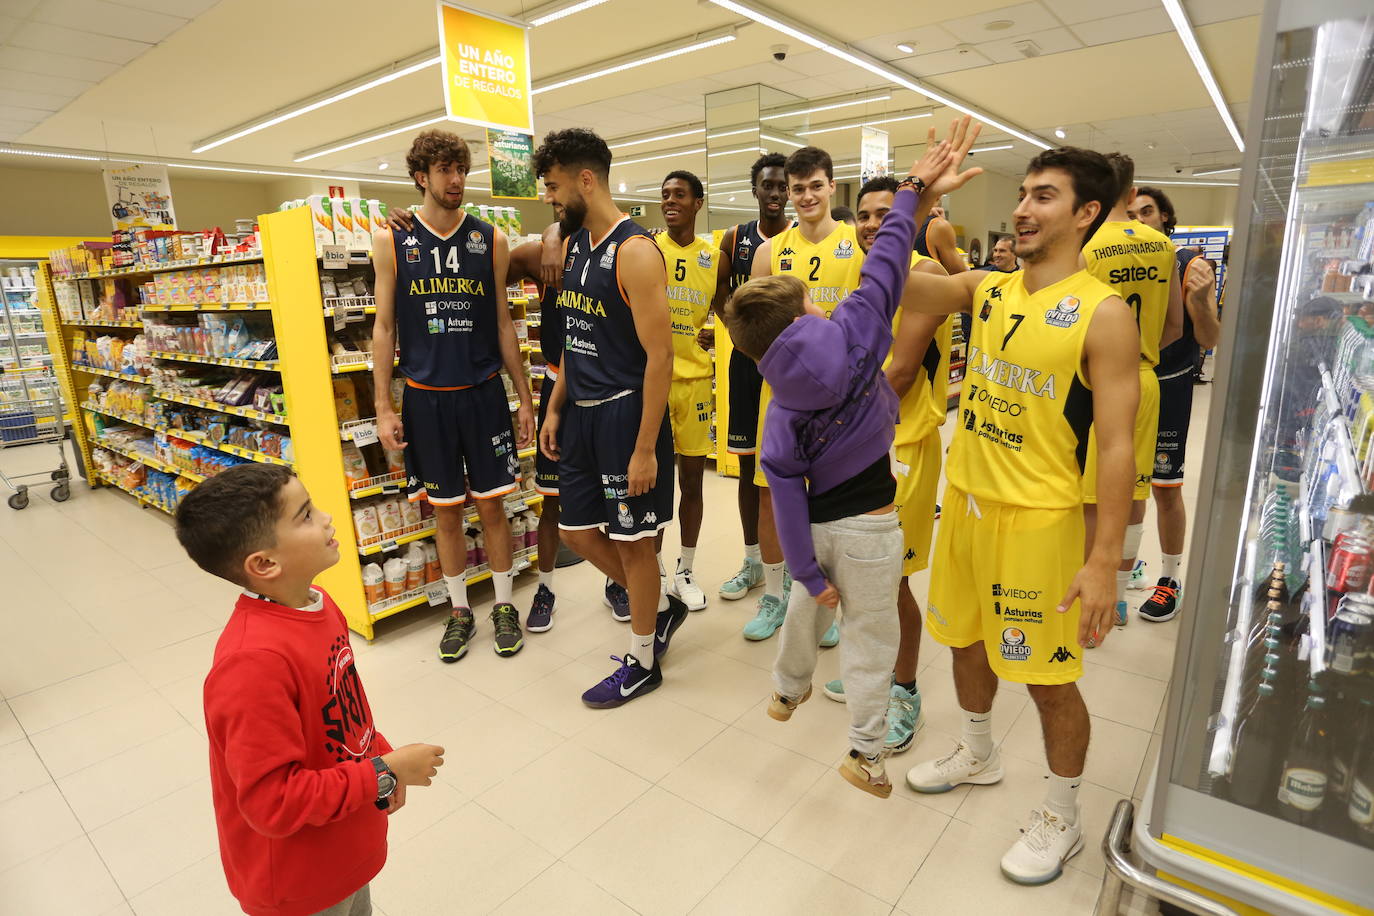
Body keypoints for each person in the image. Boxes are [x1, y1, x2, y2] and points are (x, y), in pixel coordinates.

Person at [900, 147, 1140, 884]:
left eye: (1044, 197)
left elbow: (1118, 447)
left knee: (1046, 678)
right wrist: (914, 197)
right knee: (964, 643)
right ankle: (978, 751)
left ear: (1086, 214)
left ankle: (1063, 816)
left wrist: (1104, 560)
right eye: (1023, 196)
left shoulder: (1103, 315)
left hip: (1039, 523)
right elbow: (892, 286)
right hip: (967, 506)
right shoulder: (991, 289)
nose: (1023, 209)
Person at [725, 118, 981, 798]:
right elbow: (893, 253)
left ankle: (786, 691)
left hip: (813, 527)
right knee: (870, 638)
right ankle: (865, 754)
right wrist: (915, 190)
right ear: (810, 311)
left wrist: (806, 571)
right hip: (872, 523)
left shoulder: (779, 408)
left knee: (809, 612)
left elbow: (781, 491)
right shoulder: (860, 336)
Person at [180, 463, 445, 916]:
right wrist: (381, 770)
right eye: (304, 515)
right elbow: (272, 803)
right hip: (297, 880)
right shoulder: (252, 663)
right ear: (264, 563)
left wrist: (381, 761)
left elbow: (346, 706)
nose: (326, 518)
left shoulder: (319, 606)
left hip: (342, 840)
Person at [534, 128, 689, 708]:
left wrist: (646, 447)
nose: (550, 199)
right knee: (576, 530)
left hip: (627, 418)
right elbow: (578, 338)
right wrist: (554, 406)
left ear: (586, 180)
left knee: (634, 547)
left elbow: (661, 357)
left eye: (554, 187)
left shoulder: (636, 252)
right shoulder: (575, 247)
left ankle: (644, 660)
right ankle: (661, 605)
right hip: (579, 415)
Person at [372, 129, 535, 662]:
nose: (456, 180)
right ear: (421, 177)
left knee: (494, 506)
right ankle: (460, 612)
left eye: (461, 169)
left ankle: (505, 605)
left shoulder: (490, 239)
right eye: (444, 170)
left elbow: (505, 324)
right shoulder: (391, 240)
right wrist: (381, 404)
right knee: (444, 513)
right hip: (426, 398)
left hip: (483, 394)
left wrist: (525, 397)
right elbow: (383, 328)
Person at [821, 174, 952, 757]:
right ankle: (869, 673)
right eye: (864, 216)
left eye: (884, 214)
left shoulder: (925, 275)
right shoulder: (861, 274)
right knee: (857, 572)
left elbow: (898, 372)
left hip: (902, 446)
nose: (872, 224)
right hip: (854, 443)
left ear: (914, 217)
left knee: (891, 579)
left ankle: (905, 692)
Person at [745, 144, 866, 645]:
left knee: (837, 504)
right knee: (774, 497)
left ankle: (832, 606)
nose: (807, 195)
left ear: (831, 187)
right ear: (788, 194)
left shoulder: (860, 242)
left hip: (844, 402)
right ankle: (775, 596)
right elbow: (750, 328)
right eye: (798, 189)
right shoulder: (770, 252)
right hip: (785, 399)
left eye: (816, 186)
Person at [1079, 155, 1183, 627]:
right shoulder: (1162, 245)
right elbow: (1175, 326)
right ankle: (1118, 598)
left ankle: (1086, 592)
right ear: (1132, 191)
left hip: (1092, 380)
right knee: (1134, 487)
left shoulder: (1086, 245)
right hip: (1145, 377)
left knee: (1089, 493)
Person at [1127, 187, 1220, 621]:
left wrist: (1201, 301)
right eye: (1131, 213)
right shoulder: (1112, 262)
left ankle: (1170, 577)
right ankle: (1127, 566)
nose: (1139, 219)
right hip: (1122, 387)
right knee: (1124, 485)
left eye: (1147, 212)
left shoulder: (1191, 264)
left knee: (1165, 487)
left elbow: (1209, 338)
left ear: (1165, 218)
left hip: (1169, 385)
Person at [714, 153, 789, 604]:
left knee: (795, 471)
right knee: (748, 468)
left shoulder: (801, 242)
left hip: (791, 370)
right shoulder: (735, 238)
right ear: (755, 190)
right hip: (746, 364)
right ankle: (752, 560)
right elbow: (721, 293)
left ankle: (796, 566)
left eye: (783, 186)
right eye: (769, 186)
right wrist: (736, 334)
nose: (777, 194)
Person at [655, 168, 717, 611]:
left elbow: (729, 311)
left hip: (695, 383)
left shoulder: (714, 258)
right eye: (665, 195)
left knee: (691, 482)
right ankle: (650, 571)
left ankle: (686, 570)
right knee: (651, 485)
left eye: (680, 194)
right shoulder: (642, 248)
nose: (670, 200)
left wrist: (721, 335)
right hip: (651, 383)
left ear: (698, 203)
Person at [506, 224, 566, 632]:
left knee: (606, 498)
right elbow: (489, 270)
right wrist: (548, 238)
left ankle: (616, 583)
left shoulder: (619, 248)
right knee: (551, 500)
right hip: (556, 385)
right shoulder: (542, 256)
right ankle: (545, 588)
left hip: (603, 390)